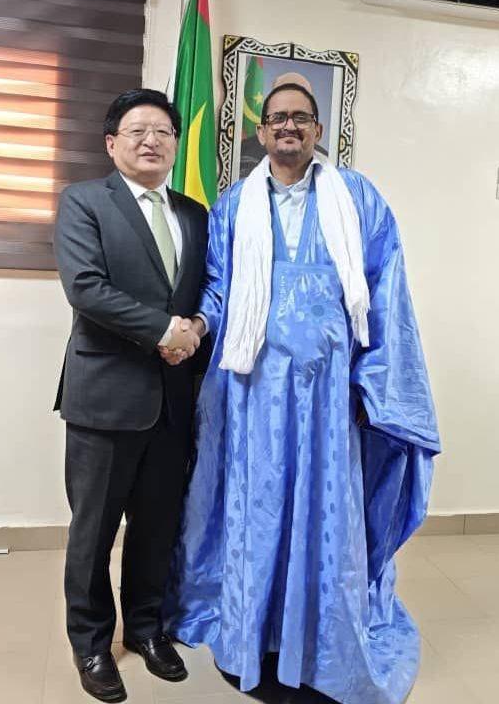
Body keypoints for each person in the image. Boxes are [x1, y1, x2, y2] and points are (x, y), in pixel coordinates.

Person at [165, 83, 440, 704]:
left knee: (323, 510)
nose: (288, 127)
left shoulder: (357, 199)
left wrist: (376, 382)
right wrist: (199, 325)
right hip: (252, 395)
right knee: (258, 509)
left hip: (328, 399)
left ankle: (320, 637)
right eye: (277, 118)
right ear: (261, 132)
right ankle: (256, 633)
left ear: (318, 130)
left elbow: (386, 291)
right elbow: (219, 287)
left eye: (301, 117)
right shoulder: (234, 206)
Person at [54, 88, 208, 703]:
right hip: (106, 395)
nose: (152, 140)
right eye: (138, 130)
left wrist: (195, 329)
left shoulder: (195, 213)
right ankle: (91, 642)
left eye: (163, 131)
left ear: (175, 144)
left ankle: (146, 628)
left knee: (157, 526)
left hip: (174, 397)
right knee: (93, 531)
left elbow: (206, 289)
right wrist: (165, 331)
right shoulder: (85, 201)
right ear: (112, 142)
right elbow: (86, 287)